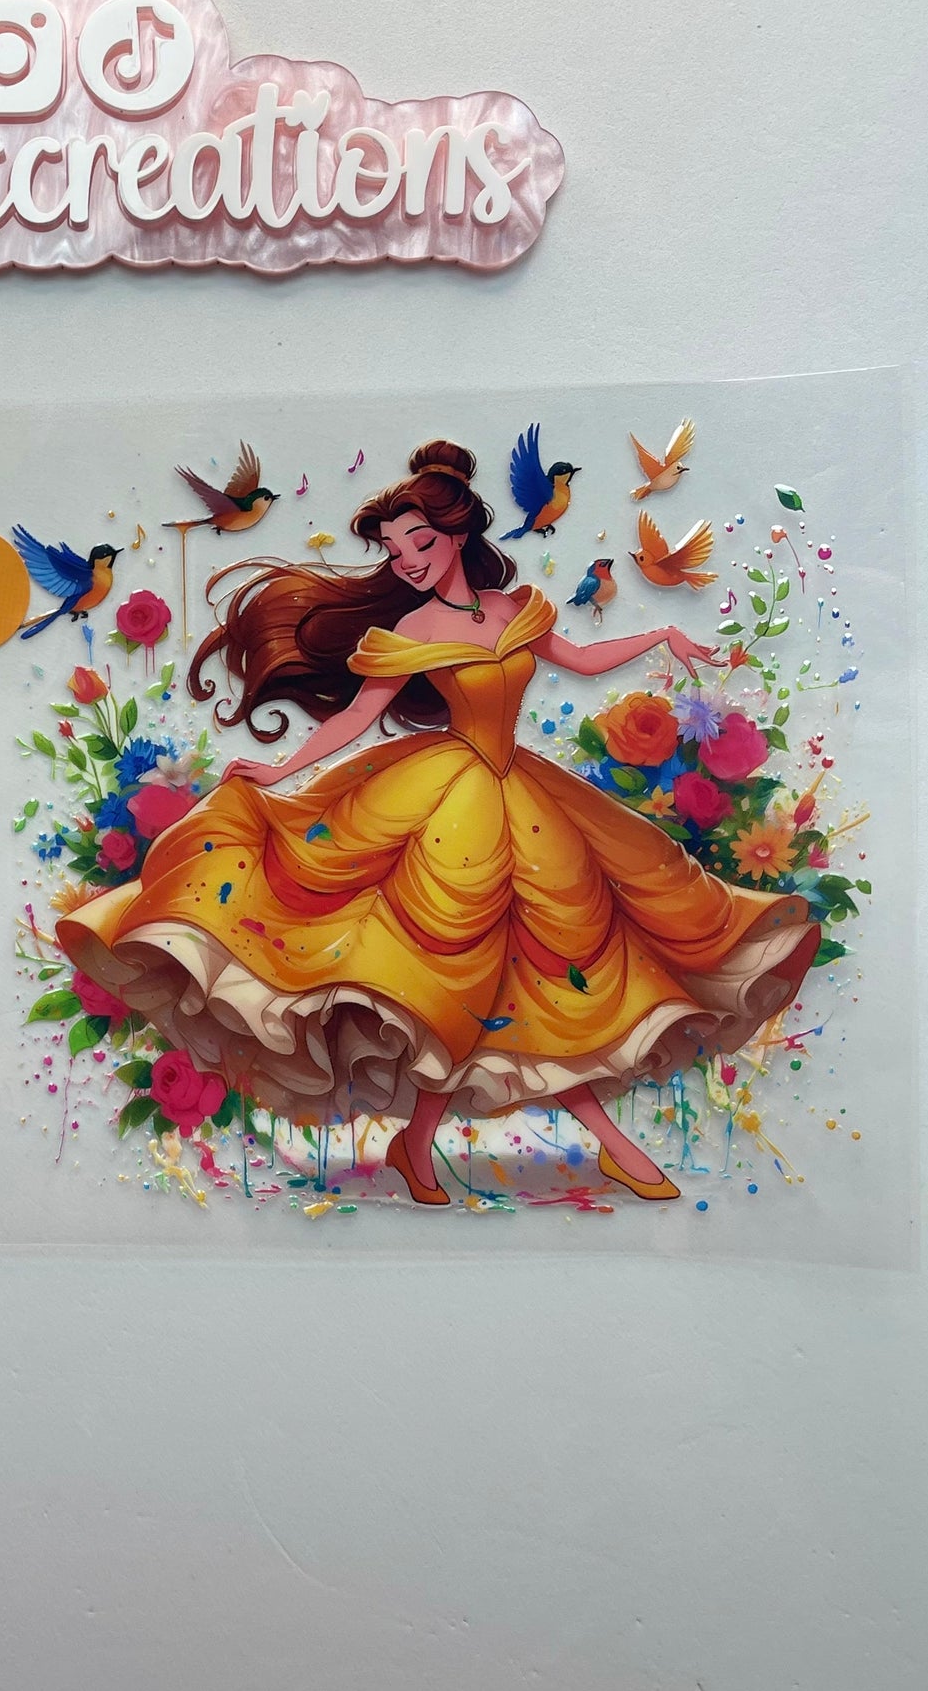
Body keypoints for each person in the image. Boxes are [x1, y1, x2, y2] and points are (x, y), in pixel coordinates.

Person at [58, 441, 818, 1205]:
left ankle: (423, 1144)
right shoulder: (415, 629)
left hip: (527, 803)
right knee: (462, 982)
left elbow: (581, 660)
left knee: (536, 979)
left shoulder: (515, 608)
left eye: (419, 542)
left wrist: (660, 635)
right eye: (394, 551)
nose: (408, 560)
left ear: (459, 535)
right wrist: (281, 772)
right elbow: (357, 716)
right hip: (449, 810)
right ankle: (584, 1147)